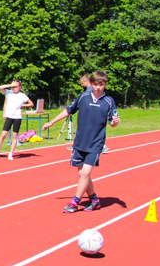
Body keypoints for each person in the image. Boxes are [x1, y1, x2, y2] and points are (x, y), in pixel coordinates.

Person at [43, 70, 120, 213]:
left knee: (85, 174)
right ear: (91, 84)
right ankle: (94, 199)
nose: (98, 87)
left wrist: (115, 122)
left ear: (105, 84)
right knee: (82, 175)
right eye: (96, 84)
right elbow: (68, 110)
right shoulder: (83, 97)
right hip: (80, 142)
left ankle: (74, 202)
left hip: (96, 143)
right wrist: (52, 122)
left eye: (101, 84)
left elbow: (112, 122)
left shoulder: (109, 101)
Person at [0, 80, 34, 161]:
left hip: (17, 117)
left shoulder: (22, 95)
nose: (14, 88)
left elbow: (31, 104)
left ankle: (11, 153)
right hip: (9, 116)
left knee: (15, 136)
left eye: (16, 86)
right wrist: (11, 84)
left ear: (20, 87)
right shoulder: (9, 92)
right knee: (3, 135)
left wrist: (23, 105)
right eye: (13, 86)